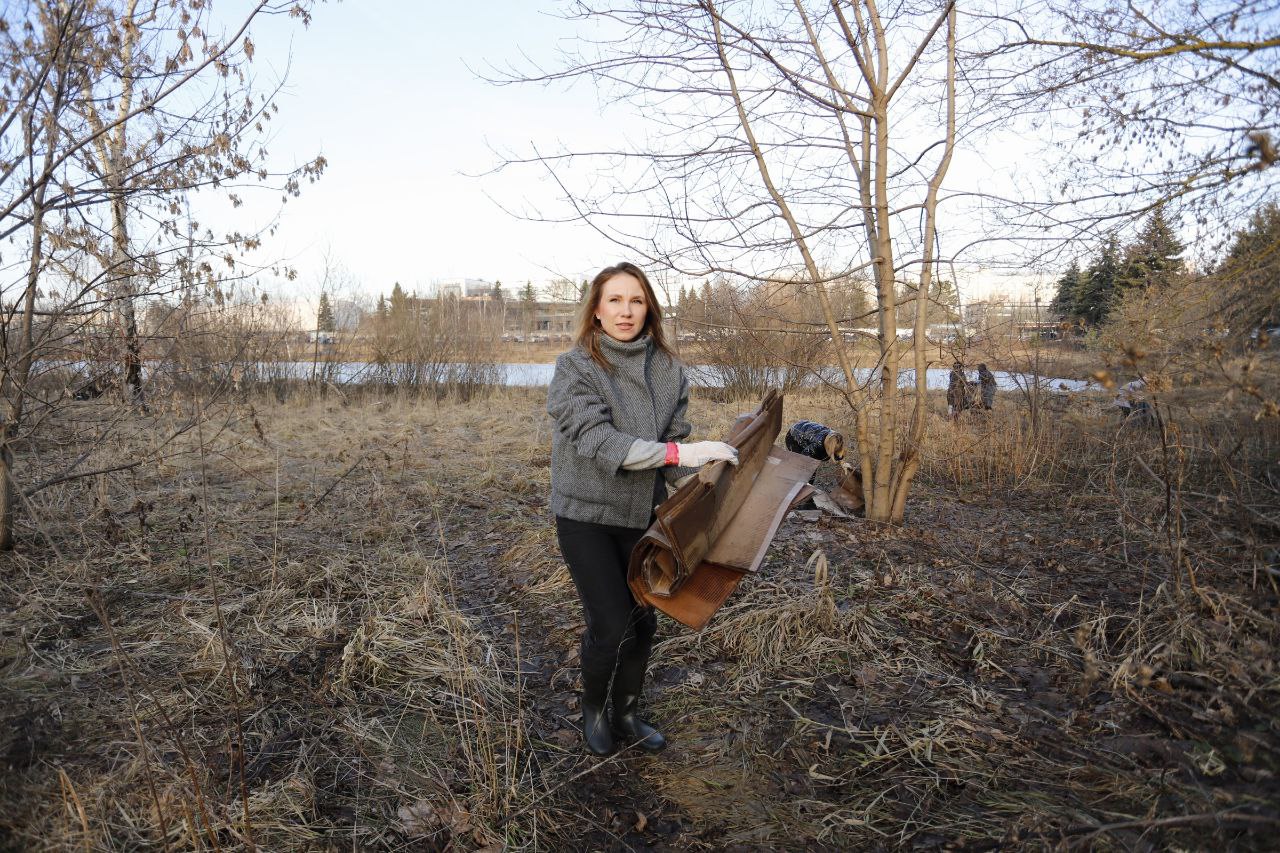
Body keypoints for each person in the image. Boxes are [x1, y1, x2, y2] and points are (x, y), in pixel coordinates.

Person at [547, 262, 738, 756]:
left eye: (635, 300)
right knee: (609, 622)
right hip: (585, 517)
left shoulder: (669, 369)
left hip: (641, 517)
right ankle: (593, 710)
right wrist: (680, 455)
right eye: (614, 300)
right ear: (596, 309)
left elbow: (673, 447)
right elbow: (599, 441)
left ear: (649, 306)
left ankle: (627, 712)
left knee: (643, 621)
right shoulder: (575, 369)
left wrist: (710, 480)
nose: (625, 311)